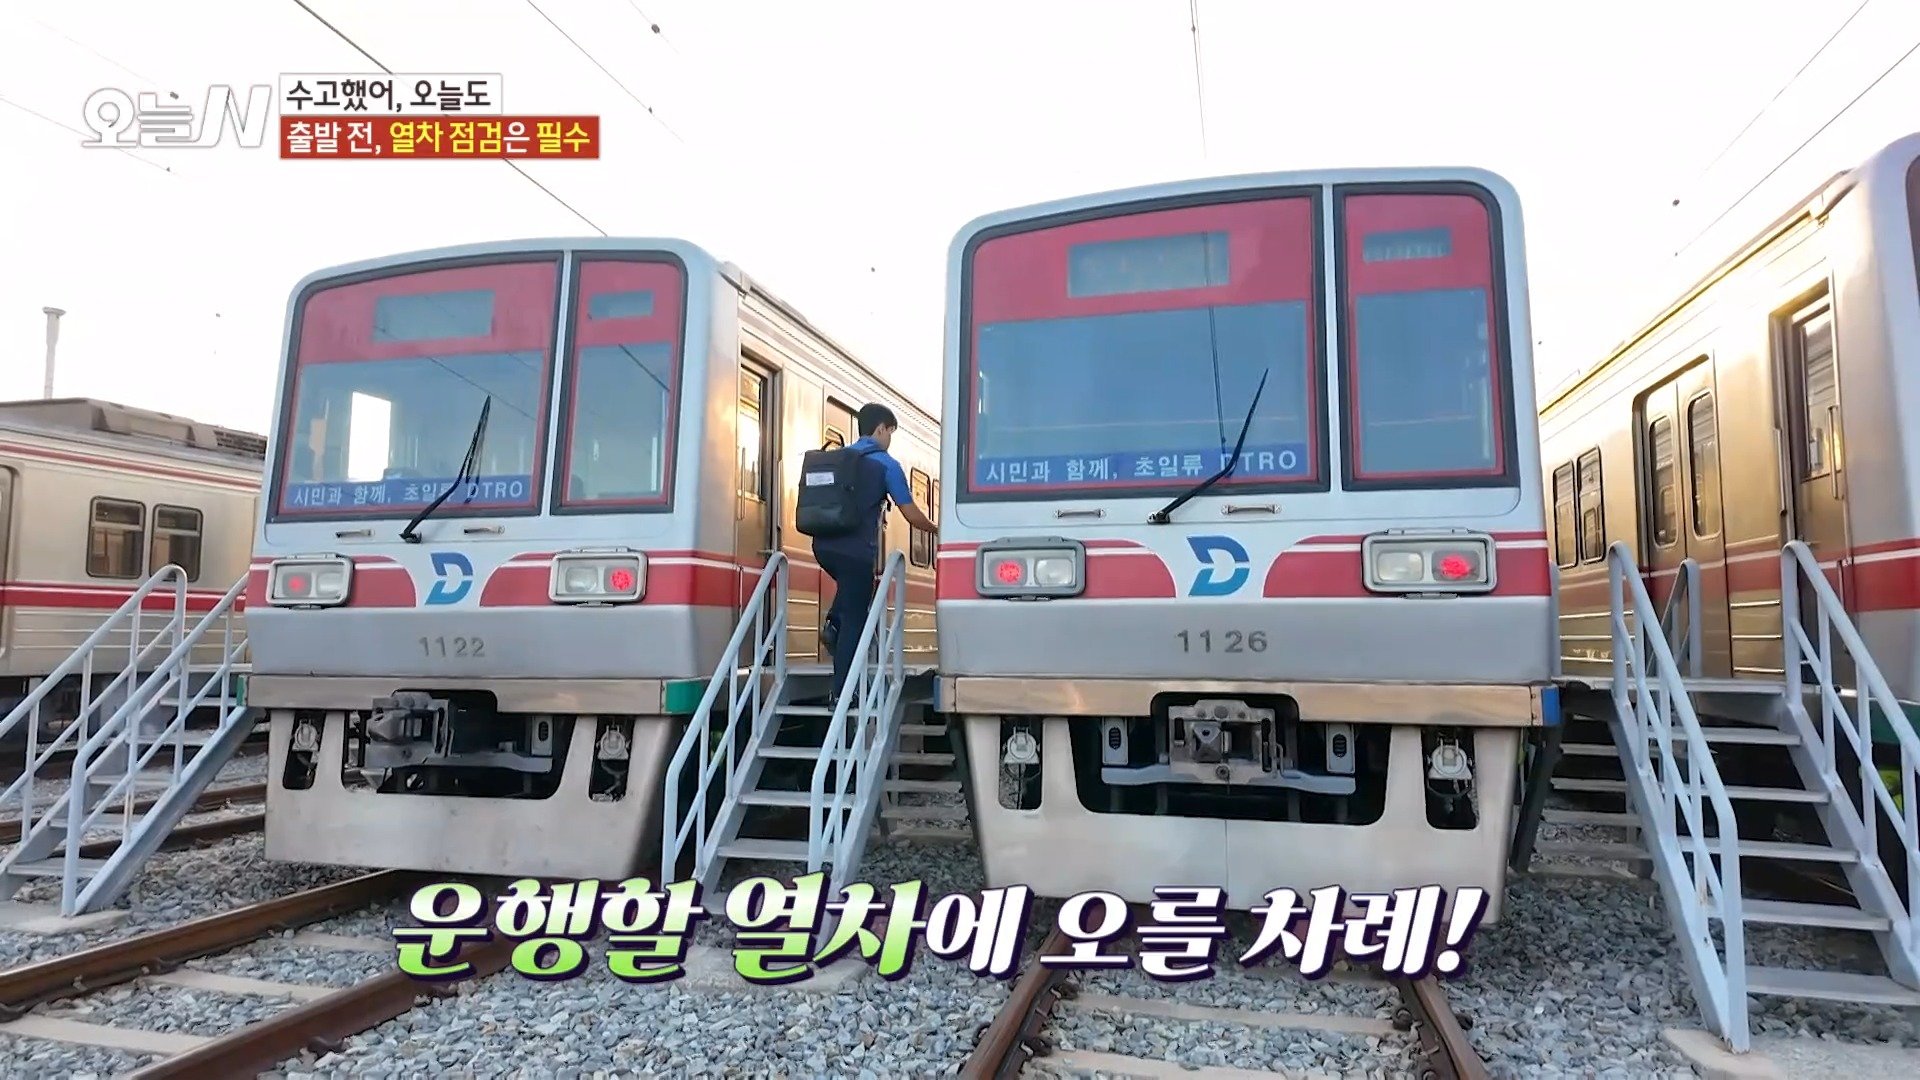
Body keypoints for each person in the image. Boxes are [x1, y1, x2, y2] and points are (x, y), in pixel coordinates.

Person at [813, 403, 938, 700]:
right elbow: (910, 513)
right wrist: (938, 529)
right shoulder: (886, 464)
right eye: (890, 432)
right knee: (855, 619)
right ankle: (842, 694)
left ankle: (833, 624)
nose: (890, 439)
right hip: (856, 553)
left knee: (850, 592)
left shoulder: (838, 457)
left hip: (823, 547)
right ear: (881, 429)